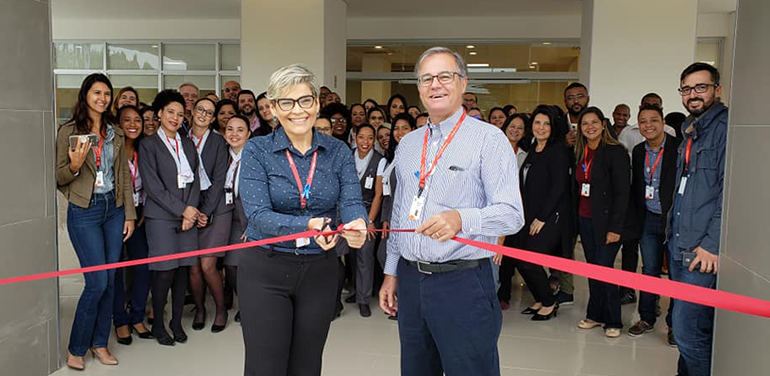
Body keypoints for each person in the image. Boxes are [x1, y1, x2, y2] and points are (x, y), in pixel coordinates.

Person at [379, 47, 523, 376]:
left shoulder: (489, 139)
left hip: (464, 282)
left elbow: (512, 214)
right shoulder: (409, 143)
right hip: (413, 280)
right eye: (427, 78)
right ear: (419, 87)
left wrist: (463, 218)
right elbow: (402, 209)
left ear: (462, 84)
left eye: (445, 76)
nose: (436, 85)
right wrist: (392, 270)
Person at [238, 64, 368, 376]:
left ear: (317, 103)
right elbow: (257, 216)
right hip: (266, 269)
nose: (298, 110)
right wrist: (308, 226)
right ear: (272, 108)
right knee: (265, 367)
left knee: (307, 366)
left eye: (305, 100)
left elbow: (351, 201)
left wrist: (357, 225)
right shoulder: (257, 149)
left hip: (319, 271)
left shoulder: (337, 152)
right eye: (287, 102)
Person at [56, 73, 136, 370]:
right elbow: (59, 176)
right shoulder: (69, 131)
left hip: (113, 210)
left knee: (111, 281)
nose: (102, 98)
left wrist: (129, 213)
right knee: (97, 282)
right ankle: (77, 347)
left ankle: (100, 343)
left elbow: (124, 177)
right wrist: (75, 167)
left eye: (106, 93)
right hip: (85, 211)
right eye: (96, 92)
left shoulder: (115, 131)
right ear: (85, 95)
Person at [667, 62, 727, 376]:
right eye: (687, 89)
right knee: (693, 328)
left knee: (687, 331)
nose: (693, 94)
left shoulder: (725, 128)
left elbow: (729, 193)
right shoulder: (691, 129)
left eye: (700, 87)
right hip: (680, 245)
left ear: (717, 89)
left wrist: (712, 245)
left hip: (701, 252)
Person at [139, 89, 201, 346]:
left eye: (180, 113)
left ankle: (177, 322)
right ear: (160, 114)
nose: (175, 118)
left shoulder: (187, 143)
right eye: (170, 112)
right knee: (164, 272)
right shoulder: (149, 144)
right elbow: (153, 188)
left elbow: (196, 180)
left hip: (187, 218)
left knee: (181, 273)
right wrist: (182, 210)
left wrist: (191, 211)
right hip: (161, 218)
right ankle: (159, 324)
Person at [573, 107, 629, 338]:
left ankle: (614, 319)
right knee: (593, 269)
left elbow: (622, 193)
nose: (590, 127)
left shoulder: (616, 152)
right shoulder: (580, 151)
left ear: (603, 124)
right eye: (585, 123)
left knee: (605, 270)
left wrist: (615, 228)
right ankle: (595, 315)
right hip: (585, 219)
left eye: (594, 122)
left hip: (607, 222)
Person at [627, 104, 680, 342]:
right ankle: (647, 317)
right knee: (649, 270)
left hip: (673, 220)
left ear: (663, 122)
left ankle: (674, 325)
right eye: (643, 121)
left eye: (653, 120)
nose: (648, 125)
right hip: (648, 218)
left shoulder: (677, 148)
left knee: (677, 275)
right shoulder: (638, 151)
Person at [516, 105, 570, 321]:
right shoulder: (532, 148)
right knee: (520, 260)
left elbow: (558, 188)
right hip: (528, 215)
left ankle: (549, 301)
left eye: (546, 123)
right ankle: (540, 298)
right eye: (537, 122)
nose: (541, 127)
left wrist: (542, 218)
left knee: (530, 260)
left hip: (548, 217)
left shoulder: (557, 151)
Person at [186, 97, 233, 333]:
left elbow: (219, 181)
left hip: (217, 209)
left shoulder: (219, 142)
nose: (204, 114)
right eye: (200, 110)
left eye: (210, 112)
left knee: (207, 266)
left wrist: (205, 211)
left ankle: (221, 308)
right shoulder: (181, 139)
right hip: (189, 209)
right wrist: (192, 211)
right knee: (193, 267)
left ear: (214, 119)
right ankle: (200, 308)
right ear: (193, 112)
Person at [112, 105, 153, 346]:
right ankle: (120, 321)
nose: (133, 124)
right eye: (126, 120)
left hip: (139, 214)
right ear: (118, 124)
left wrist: (145, 210)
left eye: (137, 119)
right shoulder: (114, 149)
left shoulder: (144, 149)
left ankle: (137, 316)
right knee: (116, 270)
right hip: (116, 213)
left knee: (143, 266)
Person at [336, 123, 386, 317]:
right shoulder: (347, 156)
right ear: (354, 138)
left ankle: (364, 300)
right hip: (346, 210)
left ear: (374, 140)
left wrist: (370, 220)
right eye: (361, 137)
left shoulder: (379, 161)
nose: (365, 142)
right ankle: (357, 291)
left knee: (365, 254)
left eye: (370, 138)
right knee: (350, 254)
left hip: (367, 210)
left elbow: (378, 195)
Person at [551, 82, 591, 307]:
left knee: (594, 247)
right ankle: (566, 289)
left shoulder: (597, 120)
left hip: (591, 194)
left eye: (580, 96)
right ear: (565, 101)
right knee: (565, 243)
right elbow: (545, 149)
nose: (576, 101)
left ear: (587, 97)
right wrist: (562, 143)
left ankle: (601, 293)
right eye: (571, 97)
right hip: (563, 192)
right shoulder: (557, 124)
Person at [497, 113, 529, 310]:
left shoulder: (525, 156)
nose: (515, 130)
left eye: (520, 128)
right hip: (493, 209)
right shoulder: (494, 150)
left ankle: (504, 294)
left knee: (508, 256)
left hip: (514, 209)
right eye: (512, 126)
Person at [222, 115, 252, 324]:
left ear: (249, 134)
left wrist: (253, 225)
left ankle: (248, 305)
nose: (234, 134)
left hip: (248, 218)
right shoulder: (221, 156)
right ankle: (242, 298)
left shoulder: (255, 157)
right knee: (230, 266)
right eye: (230, 129)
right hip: (226, 216)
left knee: (245, 265)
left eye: (240, 130)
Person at [617, 93, 678, 157]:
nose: (648, 125)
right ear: (640, 108)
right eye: (643, 121)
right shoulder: (628, 134)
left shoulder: (669, 131)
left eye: (655, 106)